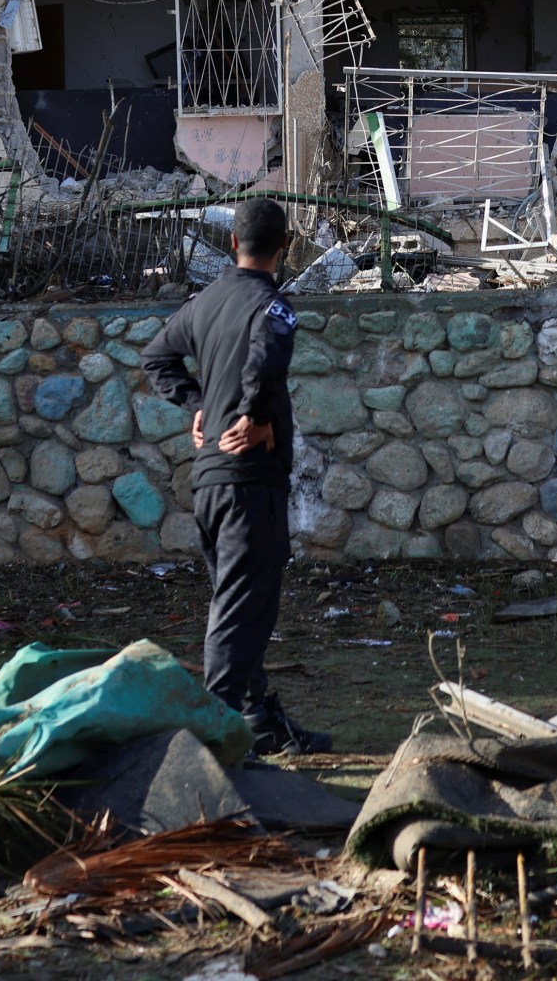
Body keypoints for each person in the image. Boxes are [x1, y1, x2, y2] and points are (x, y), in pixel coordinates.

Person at [141, 196, 331, 756]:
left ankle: (257, 719)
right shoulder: (272, 306)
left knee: (239, 606)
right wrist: (252, 414)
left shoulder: (203, 303)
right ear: (285, 247)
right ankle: (215, 738)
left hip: (210, 485)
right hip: (249, 481)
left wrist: (199, 403)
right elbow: (266, 359)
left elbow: (156, 358)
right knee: (240, 612)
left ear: (232, 243)